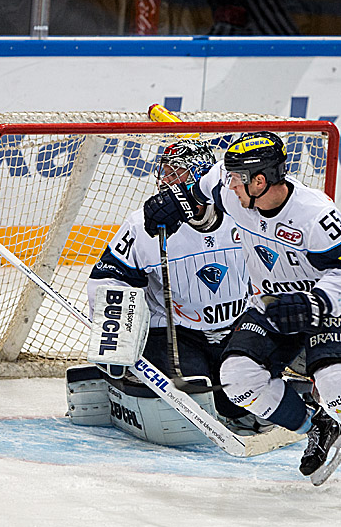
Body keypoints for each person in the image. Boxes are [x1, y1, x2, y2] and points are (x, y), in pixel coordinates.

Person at [142, 131, 341, 508]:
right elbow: (200, 190)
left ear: (260, 181)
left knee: (338, 383)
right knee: (238, 377)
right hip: (271, 304)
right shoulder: (231, 190)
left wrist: (311, 304)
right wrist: (174, 202)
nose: (230, 186)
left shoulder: (315, 215)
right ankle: (317, 426)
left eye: (238, 179)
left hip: (328, 307)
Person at [69, 139, 266, 442]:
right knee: (192, 393)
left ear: (200, 176)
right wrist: (115, 339)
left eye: (176, 172)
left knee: (242, 396)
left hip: (237, 326)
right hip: (174, 332)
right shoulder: (145, 224)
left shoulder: (243, 211)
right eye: (165, 172)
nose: (165, 181)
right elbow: (109, 277)